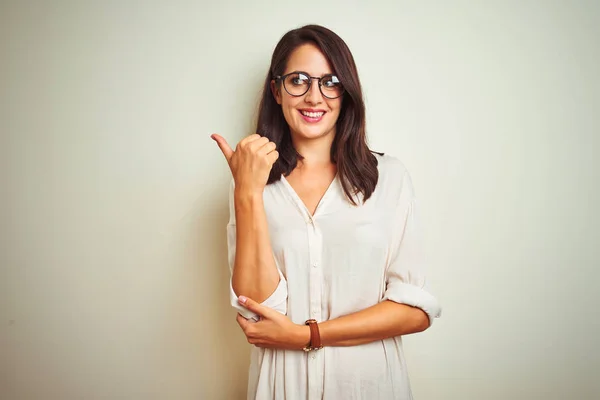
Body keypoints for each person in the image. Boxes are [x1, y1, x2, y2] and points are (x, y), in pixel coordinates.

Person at [211, 24, 441, 400]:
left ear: (345, 92)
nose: (314, 97)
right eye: (298, 80)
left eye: (330, 81)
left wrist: (308, 335)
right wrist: (247, 193)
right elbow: (259, 312)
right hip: (282, 387)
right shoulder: (252, 184)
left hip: (367, 386)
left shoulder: (390, 178)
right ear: (276, 90)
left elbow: (415, 310)